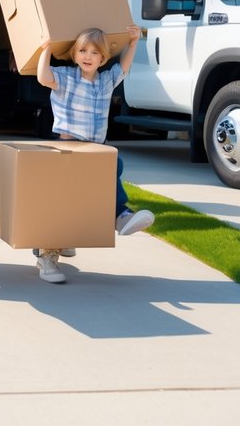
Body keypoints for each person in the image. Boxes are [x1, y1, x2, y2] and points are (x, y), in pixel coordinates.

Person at [34, 24, 154, 284]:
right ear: (75, 54)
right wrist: (45, 49)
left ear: (103, 58)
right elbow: (43, 77)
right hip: (68, 147)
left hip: (95, 149)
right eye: (82, 51)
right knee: (63, 201)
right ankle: (47, 255)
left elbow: (124, 67)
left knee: (113, 165)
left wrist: (133, 43)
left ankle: (121, 216)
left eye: (94, 52)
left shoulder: (106, 80)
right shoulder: (66, 76)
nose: (88, 56)